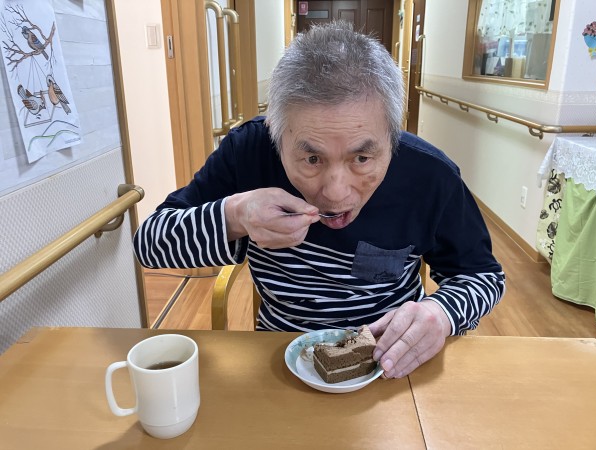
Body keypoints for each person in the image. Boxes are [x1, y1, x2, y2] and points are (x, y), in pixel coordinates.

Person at [134, 21, 505, 379]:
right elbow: (149, 246)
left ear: (393, 137)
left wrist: (441, 313)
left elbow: (483, 275)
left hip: (388, 360)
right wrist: (236, 215)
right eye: (312, 159)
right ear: (275, 134)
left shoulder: (429, 175)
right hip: (279, 358)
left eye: (362, 158)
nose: (336, 193)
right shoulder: (248, 153)